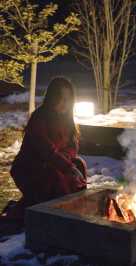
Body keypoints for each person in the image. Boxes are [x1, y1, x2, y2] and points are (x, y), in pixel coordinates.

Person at [3, 77, 87, 221]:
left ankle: (71, 208)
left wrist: (68, 161)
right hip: (30, 168)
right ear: (52, 98)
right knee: (56, 179)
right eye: (60, 98)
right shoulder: (39, 117)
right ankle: (53, 214)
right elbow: (46, 150)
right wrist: (67, 167)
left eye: (67, 99)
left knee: (79, 163)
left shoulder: (67, 119)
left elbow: (73, 146)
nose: (64, 103)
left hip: (53, 165)